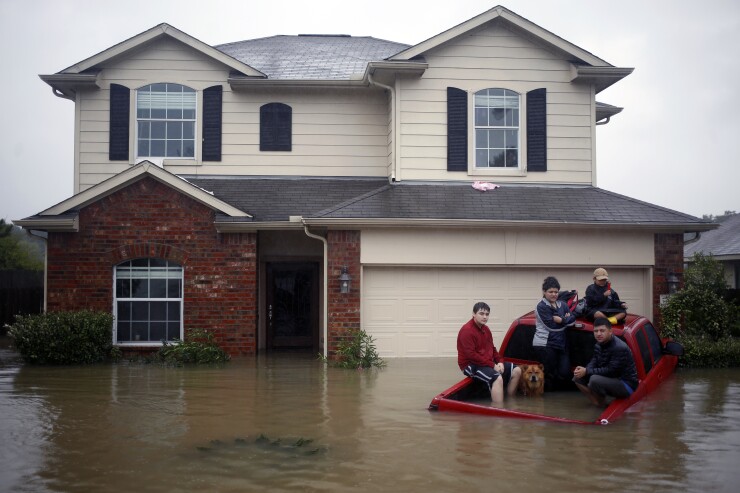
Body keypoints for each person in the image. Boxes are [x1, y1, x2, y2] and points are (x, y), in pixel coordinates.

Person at [457, 302, 521, 403]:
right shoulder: (467, 331)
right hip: (470, 365)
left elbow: (492, 348)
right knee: (497, 378)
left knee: (517, 370)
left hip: (486, 362)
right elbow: (471, 355)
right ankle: (498, 411)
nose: (485, 317)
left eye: (487, 314)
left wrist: (500, 361)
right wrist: (493, 365)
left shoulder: (486, 329)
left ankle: (510, 402)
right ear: (473, 314)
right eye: (481, 314)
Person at [573, 317, 638, 406]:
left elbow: (611, 371)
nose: (599, 334)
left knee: (594, 380)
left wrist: (587, 371)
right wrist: (584, 370)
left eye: (602, 330)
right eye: (596, 331)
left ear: (610, 331)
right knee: (577, 377)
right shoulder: (599, 344)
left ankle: (601, 403)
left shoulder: (619, 347)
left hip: (626, 384)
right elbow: (594, 361)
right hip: (611, 378)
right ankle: (598, 403)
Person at [533, 276, 576, 391]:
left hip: (561, 343)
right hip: (545, 344)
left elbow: (573, 321)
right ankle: (546, 402)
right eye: (550, 292)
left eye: (556, 292)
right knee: (550, 375)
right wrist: (566, 320)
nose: (553, 294)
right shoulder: (541, 307)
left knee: (565, 373)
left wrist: (561, 320)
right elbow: (551, 327)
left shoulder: (563, 304)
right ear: (544, 292)